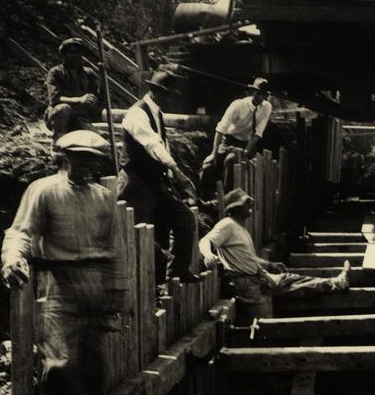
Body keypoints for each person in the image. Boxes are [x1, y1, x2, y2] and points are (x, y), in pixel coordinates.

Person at [1, 130, 127, 395]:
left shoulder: (104, 197)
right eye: (80, 159)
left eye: (94, 161)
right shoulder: (43, 191)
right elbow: (20, 232)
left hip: (95, 285)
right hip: (59, 283)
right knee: (60, 364)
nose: (87, 166)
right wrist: (13, 259)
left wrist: (115, 293)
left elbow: (114, 248)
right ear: (64, 158)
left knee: (93, 367)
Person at [203, 188, 350, 322]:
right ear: (234, 208)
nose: (250, 206)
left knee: (292, 279)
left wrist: (270, 264)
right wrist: (208, 254)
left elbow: (249, 259)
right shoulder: (227, 224)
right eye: (246, 203)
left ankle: (336, 282)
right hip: (247, 285)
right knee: (264, 323)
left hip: (260, 276)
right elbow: (205, 241)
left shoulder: (241, 228)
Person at [120, 68, 202, 281]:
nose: (171, 100)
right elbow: (152, 144)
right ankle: (145, 283)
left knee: (184, 219)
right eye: (168, 94)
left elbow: (162, 146)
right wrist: (177, 170)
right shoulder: (137, 113)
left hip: (156, 181)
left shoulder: (158, 114)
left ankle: (176, 272)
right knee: (141, 234)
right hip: (136, 181)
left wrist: (172, 178)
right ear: (156, 91)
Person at [202, 77, 273, 182]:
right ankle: (204, 196)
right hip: (229, 141)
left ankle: (228, 195)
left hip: (246, 144)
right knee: (208, 168)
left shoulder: (267, 107)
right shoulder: (238, 105)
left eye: (264, 95)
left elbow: (257, 133)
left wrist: (245, 152)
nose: (260, 98)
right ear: (252, 92)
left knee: (232, 161)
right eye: (258, 93)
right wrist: (213, 153)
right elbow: (220, 129)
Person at [44, 38, 103, 139]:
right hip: (60, 117)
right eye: (71, 52)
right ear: (63, 54)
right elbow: (54, 99)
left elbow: (100, 98)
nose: (75, 55)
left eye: (78, 52)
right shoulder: (56, 72)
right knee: (63, 108)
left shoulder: (88, 73)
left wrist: (103, 76)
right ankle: (57, 145)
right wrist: (79, 100)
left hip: (82, 117)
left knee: (101, 135)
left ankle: (87, 129)